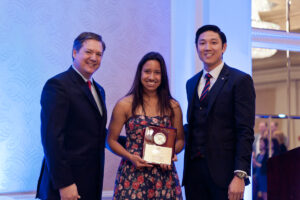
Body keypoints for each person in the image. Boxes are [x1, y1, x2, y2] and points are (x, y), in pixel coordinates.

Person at [182, 25, 256, 200]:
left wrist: (240, 175)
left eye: (213, 42)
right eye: (202, 43)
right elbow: (194, 125)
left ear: (223, 47)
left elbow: (245, 131)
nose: (207, 47)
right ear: (197, 48)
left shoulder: (240, 80)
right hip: (194, 174)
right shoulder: (191, 83)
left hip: (226, 176)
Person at [36, 32, 108, 200]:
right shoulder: (58, 86)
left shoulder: (99, 90)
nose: (94, 58)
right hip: (66, 187)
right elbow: (52, 139)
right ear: (75, 53)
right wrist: (65, 184)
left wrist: (135, 143)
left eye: (99, 54)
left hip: (91, 182)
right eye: (89, 52)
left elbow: (98, 134)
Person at [107, 52, 184, 199]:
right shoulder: (124, 104)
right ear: (140, 73)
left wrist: (171, 155)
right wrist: (130, 157)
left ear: (163, 77)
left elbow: (180, 140)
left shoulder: (172, 106)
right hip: (132, 175)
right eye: (147, 71)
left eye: (157, 73)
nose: (151, 77)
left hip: (164, 176)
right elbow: (110, 141)